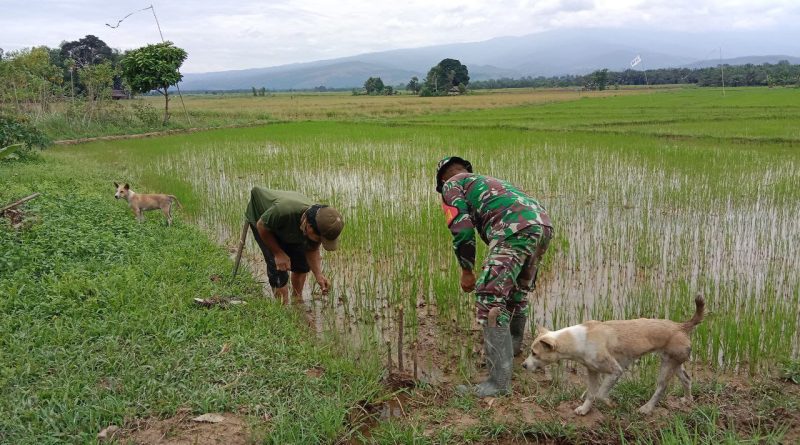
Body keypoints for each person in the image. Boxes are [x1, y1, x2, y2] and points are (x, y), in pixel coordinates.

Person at [436, 156, 553, 397]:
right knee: (517, 291)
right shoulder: (488, 182)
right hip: (542, 225)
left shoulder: (451, 186)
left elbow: (462, 229)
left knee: (489, 297)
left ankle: (497, 382)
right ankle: (513, 347)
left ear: (442, 179)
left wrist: (467, 270)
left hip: (513, 228)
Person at [244, 187, 344, 304]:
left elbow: (312, 248)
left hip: (291, 220)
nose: (320, 242)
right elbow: (261, 225)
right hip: (263, 221)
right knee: (278, 267)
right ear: (309, 227)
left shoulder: (319, 221)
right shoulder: (283, 211)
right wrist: (278, 253)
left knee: (302, 264)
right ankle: (283, 307)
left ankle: (297, 300)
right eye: (319, 239)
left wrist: (318, 275)